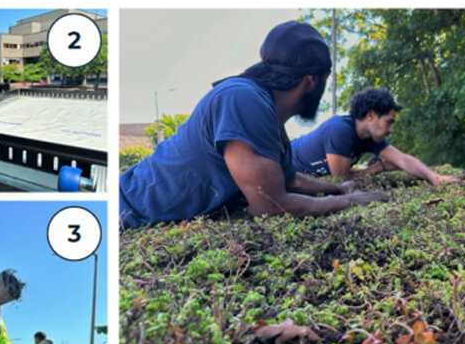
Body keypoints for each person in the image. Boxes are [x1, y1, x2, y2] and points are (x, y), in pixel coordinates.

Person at [119, 22, 388, 229]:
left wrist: (338, 188)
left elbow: (288, 179)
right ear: (312, 81)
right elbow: (270, 205)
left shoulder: (267, 115)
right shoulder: (243, 99)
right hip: (128, 210)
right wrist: (346, 202)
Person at [290, 87, 460, 185]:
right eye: (389, 122)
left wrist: (434, 177)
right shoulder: (339, 130)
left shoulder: (369, 137)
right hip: (287, 164)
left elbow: (403, 159)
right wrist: (379, 168)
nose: (391, 129)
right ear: (370, 116)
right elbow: (341, 179)